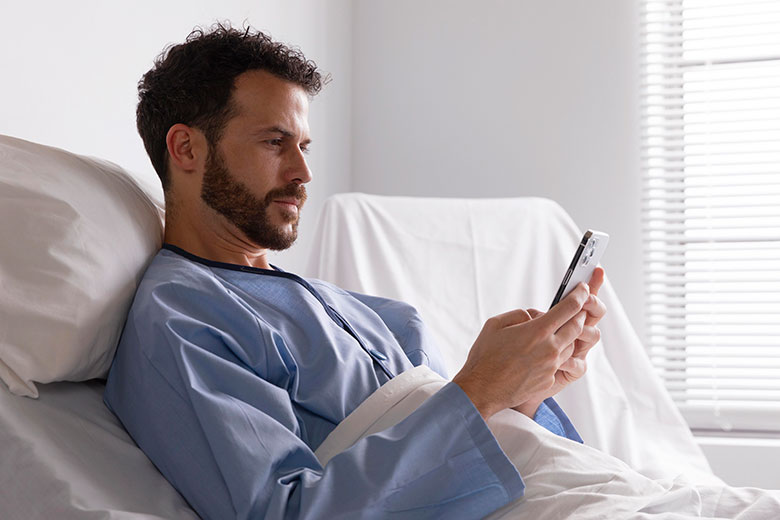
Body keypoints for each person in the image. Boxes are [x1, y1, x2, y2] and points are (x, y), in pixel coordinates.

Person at [104, 23, 606, 520]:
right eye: (275, 142)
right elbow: (287, 511)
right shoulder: (180, 320)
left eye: (304, 146)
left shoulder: (363, 311)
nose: (303, 173)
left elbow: (464, 446)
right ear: (186, 149)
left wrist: (523, 389)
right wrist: (483, 388)